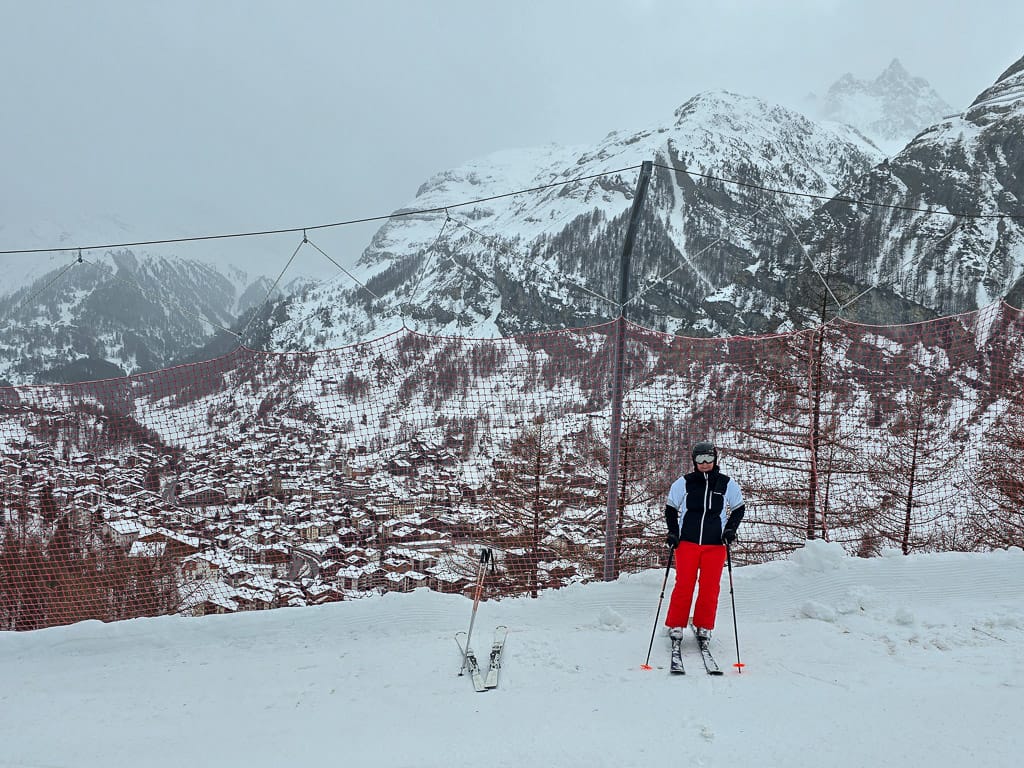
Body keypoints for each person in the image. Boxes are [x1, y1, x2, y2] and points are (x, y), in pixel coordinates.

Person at [663, 440, 745, 641]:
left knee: (710, 586)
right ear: (694, 461)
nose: (705, 463)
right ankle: (676, 624)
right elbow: (671, 508)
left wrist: (730, 530)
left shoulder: (726, 483)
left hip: (715, 544)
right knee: (684, 584)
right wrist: (673, 532)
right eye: (700, 459)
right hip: (687, 543)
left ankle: (704, 625)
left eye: (709, 458)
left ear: (715, 459)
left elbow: (738, 508)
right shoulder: (685, 482)